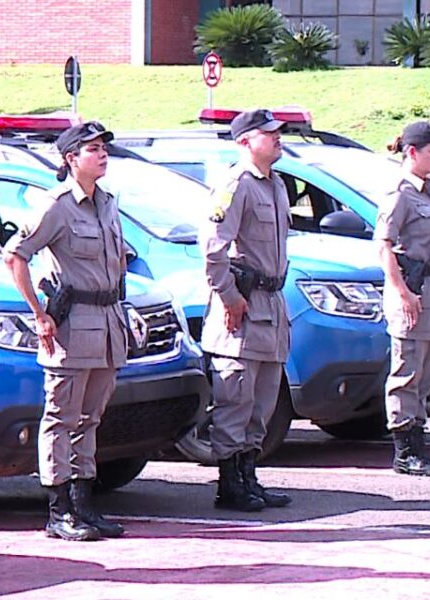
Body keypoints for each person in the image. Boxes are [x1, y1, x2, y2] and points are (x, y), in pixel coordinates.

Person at [4, 121, 129, 540]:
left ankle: (82, 504)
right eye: (92, 149)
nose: (102, 154)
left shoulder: (108, 202)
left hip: (107, 323)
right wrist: (39, 314)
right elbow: (16, 256)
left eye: (103, 148)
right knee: (60, 418)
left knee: (90, 419)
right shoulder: (56, 205)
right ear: (71, 158)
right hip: (72, 328)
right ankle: (58, 510)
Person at [197, 109, 293, 512]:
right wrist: (230, 297)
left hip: (271, 304)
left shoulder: (276, 185)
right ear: (244, 142)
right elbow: (214, 250)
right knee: (235, 398)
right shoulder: (234, 185)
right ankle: (229, 483)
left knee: (262, 402)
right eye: (268, 133)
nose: (277, 138)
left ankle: (249, 475)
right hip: (242, 308)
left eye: (277, 133)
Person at [375, 121, 430, 476]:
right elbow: (384, 246)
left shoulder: (429, 192)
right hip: (412, 292)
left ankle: (419, 441)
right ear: (412, 152)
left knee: (425, 373)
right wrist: (402, 292)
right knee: (406, 372)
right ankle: (404, 449)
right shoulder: (400, 194)